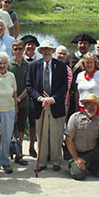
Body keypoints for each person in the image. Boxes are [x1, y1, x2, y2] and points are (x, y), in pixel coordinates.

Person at [27, 42, 69, 173]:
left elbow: (64, 86)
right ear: (40, 51)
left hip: (55, 104)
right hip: (40, 105)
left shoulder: (61, 66)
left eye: (49, 49)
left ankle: (56, 160)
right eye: (44, 49)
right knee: (42, 135)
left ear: (52, 51)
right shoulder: (34, 66)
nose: (46, 52)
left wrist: (52, 98)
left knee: (56, 134)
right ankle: (43, 161)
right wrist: (40, 98)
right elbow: (29, 86)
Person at [65, 93, 99, 180]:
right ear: (84, 106)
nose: (92, 107)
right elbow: (68, 140)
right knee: (78, 175)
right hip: (77, 153)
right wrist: (76, 158)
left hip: (92, 152)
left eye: (94, 105)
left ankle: (91, 168)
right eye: (89, 105)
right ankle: (74, 164)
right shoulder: (75, 118)